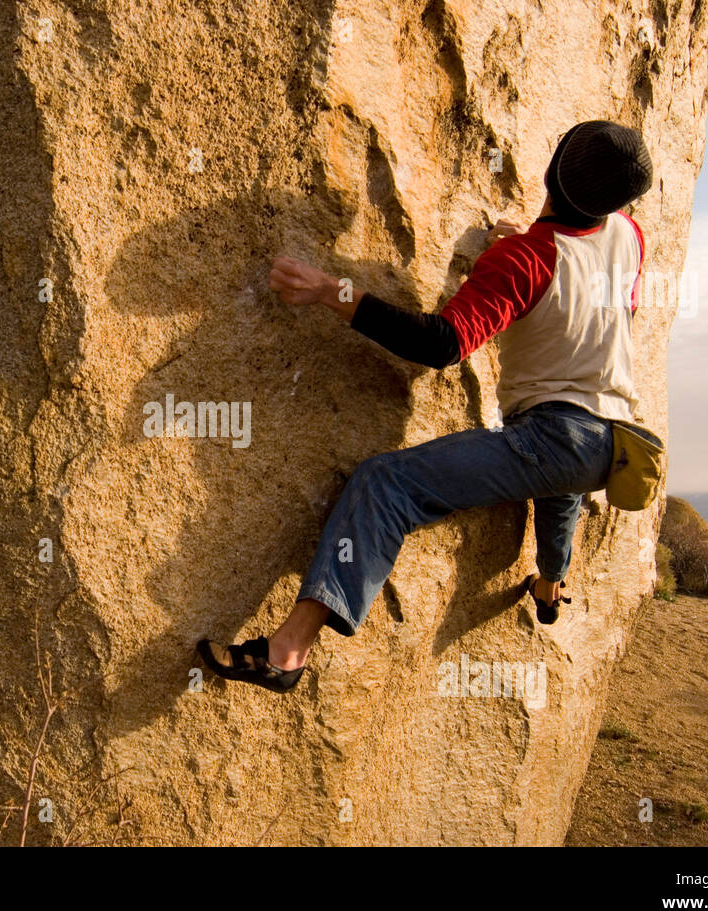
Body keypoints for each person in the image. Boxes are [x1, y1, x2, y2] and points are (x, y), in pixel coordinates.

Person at [198, 120, 654, 693]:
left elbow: (440, 344)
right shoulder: (627, 238)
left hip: (554, 434)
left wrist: (328, 291)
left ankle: (289, 650)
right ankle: (551, 583)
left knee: (386, 484)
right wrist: (529, 243)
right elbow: (593, 280)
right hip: (610, 439)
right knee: (562, 484)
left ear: (554, 165)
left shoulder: (526, 261)